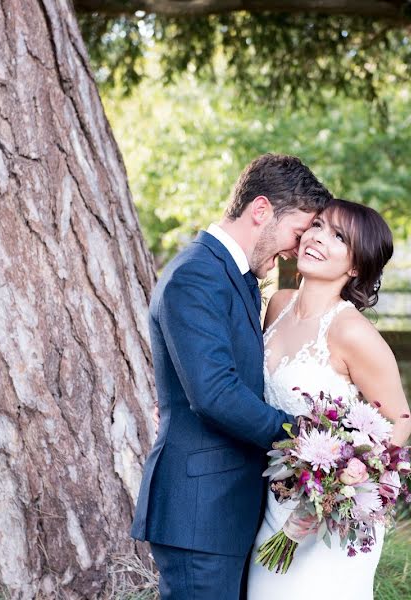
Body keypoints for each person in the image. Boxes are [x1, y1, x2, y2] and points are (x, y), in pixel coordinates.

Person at [131, 154, 332, 599]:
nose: (297, 250)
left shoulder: (232, 276)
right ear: (261, 211)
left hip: (228, 509)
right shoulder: (196, 276)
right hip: (200, 512)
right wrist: (304, 437)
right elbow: (215, 395)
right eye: (297, 233)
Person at [247, 198, 411, 599]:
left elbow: (399, 419)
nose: (318, 238)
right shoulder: (279, 304)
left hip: (329, 518)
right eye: (318, 225)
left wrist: (341, 481)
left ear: (355, 266)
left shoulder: (352, 333)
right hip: (276, 500)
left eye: (338, 237)